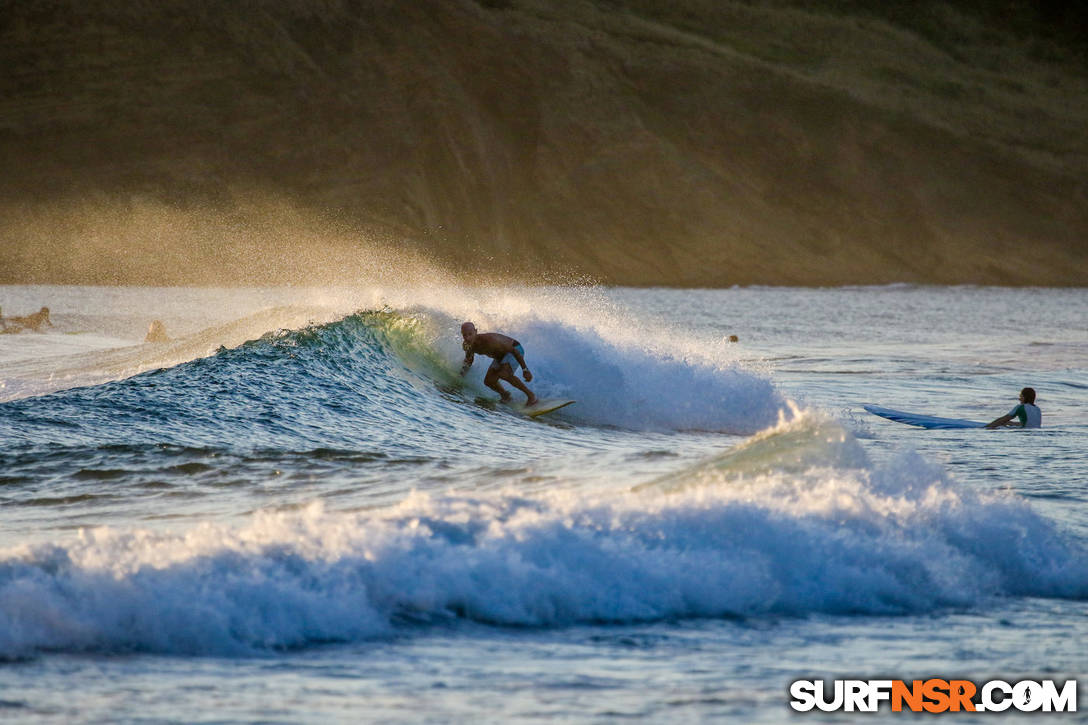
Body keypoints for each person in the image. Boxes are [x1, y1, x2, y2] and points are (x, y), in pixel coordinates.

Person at [459, 321, 538, 406]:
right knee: (489, 381)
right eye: (464, 335)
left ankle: (531, 396)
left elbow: (514, 351)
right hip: (501, 356)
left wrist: (525, 370)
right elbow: (469, 361)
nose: (467, 338)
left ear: (476, 331)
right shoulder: (467, 345)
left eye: (470, 334)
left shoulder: (490, 340)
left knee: (504, 374)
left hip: (515, 350)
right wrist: (461, 376)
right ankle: (506, 396)